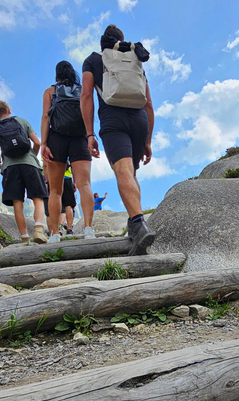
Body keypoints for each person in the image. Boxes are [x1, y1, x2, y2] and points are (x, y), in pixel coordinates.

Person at [81, 24, 156, 255]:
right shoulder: (136, 58)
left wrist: (89, 134)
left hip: (113, 120)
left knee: (122, 171)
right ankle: (137, 228)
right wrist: (148, 140)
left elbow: (86, 96)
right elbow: (149, 104)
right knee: (132, 173)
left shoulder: (93, 60)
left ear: (103, 42)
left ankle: (137, 223)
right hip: (139, 119)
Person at [41, 61, 97, 244]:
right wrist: (90, 136)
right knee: (84, 185)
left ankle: (55, 234)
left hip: (57, 138)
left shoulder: (50, 91)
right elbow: (89, 113)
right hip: (80, 138)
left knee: (55, 190)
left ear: (56, 75)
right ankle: (89, 229)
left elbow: (45, 117)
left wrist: (44, 143)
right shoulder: (82, 90)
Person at [0, 100, 48, 244]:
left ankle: (25, 237)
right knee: (38, 198)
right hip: (30, 164)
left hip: (10, 167)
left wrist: (0, 165)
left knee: (17, 202)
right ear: (9, 111)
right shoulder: (21, 121)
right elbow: (37, 143)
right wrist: (33, 155)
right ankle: (38, 229)